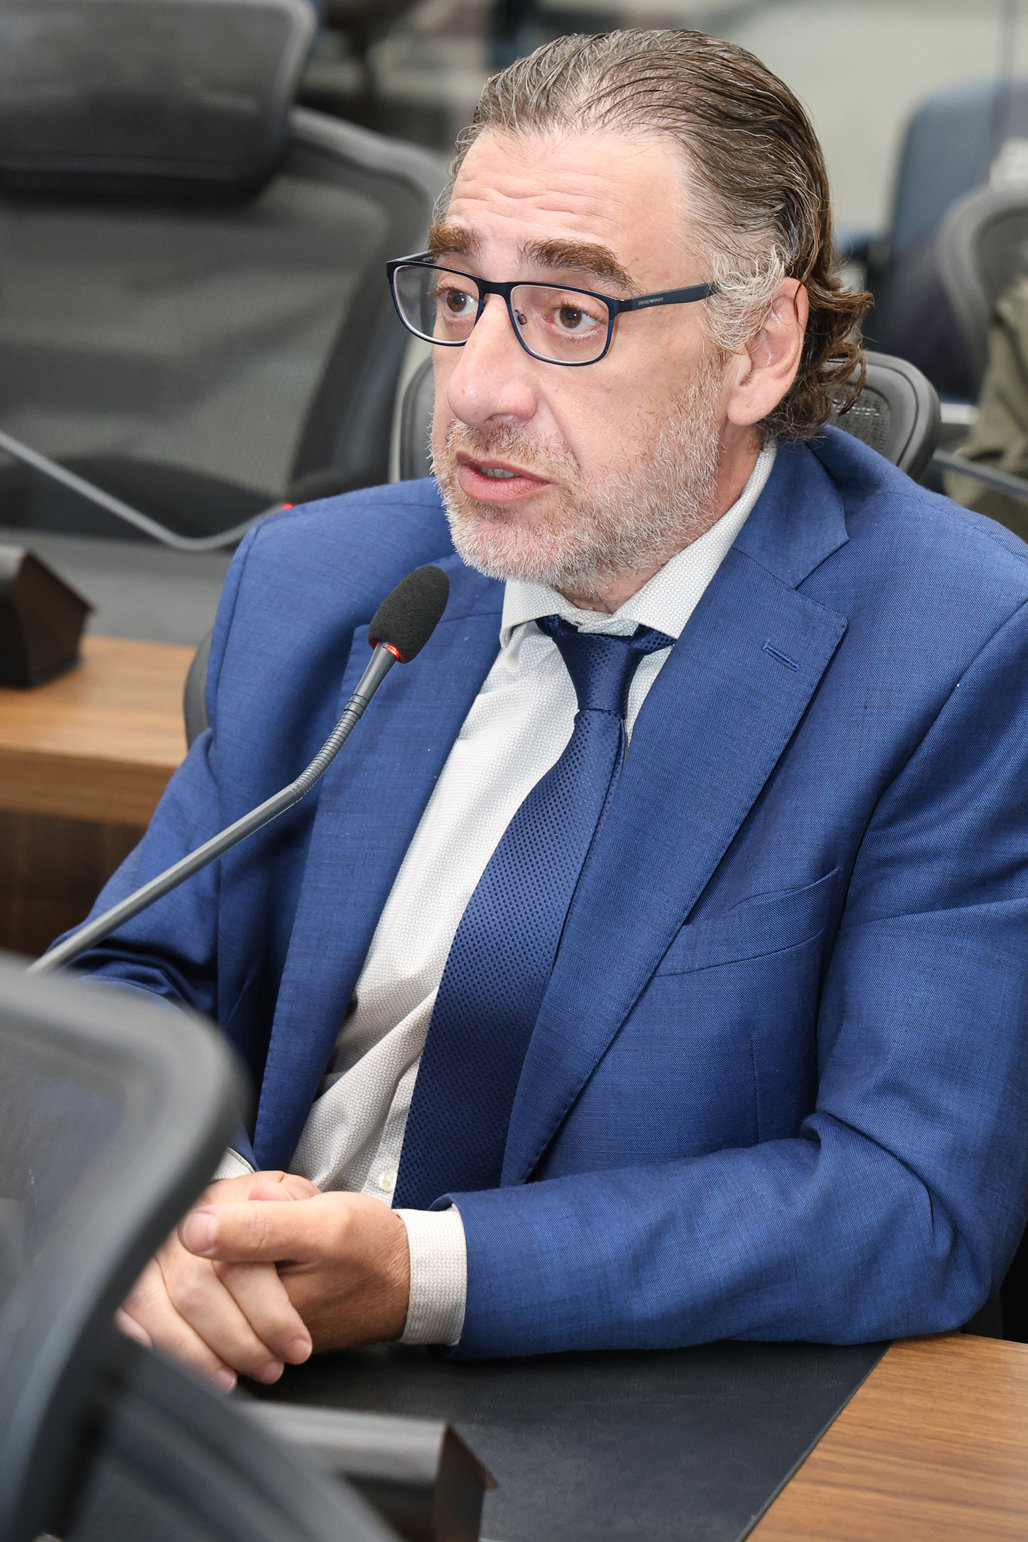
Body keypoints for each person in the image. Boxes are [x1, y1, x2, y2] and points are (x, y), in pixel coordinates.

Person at [66, 30, 1028, 1390]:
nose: (476, 387)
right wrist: (182, 1203)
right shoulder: (323, 583)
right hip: (222, 1350)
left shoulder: (957, 652)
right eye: (462, 296)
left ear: (758, 350)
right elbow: (118, 982)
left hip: (629, 1405)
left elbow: (908, 1198)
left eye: (572, 315)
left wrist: (422, 1275)